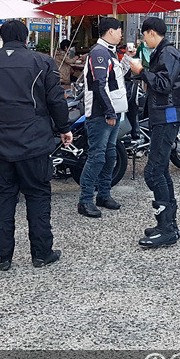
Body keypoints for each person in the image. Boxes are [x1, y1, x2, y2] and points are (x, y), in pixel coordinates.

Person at [0, 19, 72, 271]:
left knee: (2, 198)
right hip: (33, 140)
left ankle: (2, 257)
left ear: (2, 38)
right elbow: (56, 99)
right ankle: (41, 252)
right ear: (27, 38)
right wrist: (64, 128)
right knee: (37, 194)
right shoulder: (42, 62)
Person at [128, 16, 180, 248]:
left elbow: (163, 84)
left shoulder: (167, 53)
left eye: (144, 35)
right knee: (160, 169)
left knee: (153, 172)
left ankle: (167, 228)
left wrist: (142, 70)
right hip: (163, 114)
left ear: (152, 33)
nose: (143, 39)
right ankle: (168, 223)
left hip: (168, 115)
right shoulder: (162, 52)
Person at [78, 17, 127, 218]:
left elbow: (115, 80)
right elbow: (99, 85)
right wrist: (108, 112)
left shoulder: (110, 52)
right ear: (110, 31)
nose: (121, 34)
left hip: (112, 111)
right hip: (101, 114)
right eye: (119, 30)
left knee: (110, 155)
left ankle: (104, 194)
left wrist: (125, 62)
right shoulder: (99, 53)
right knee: (97, 157)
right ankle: (85, 200)